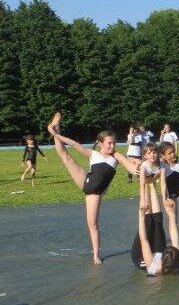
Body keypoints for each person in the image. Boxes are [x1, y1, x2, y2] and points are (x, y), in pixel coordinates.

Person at [47, 113, 138, 264]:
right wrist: (56, 134)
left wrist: (138, 169)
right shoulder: (93, 154)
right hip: (86, 180)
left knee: (92, 224)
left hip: (94, 192)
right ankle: (57, 127)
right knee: (66, 157)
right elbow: (74, 144)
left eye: (114, 143)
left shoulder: (116, 157)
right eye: (109, 143)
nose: (112, 146)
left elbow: (129, 166)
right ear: (101, 143)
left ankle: (96, 254)